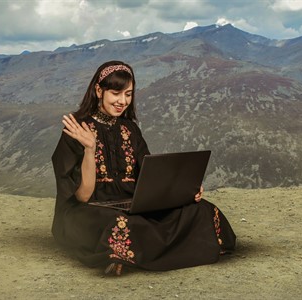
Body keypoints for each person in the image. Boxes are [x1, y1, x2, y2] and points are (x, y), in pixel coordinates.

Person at [51, 60, 236, 275]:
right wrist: (90, 149)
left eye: (128, 94)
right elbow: (82, 197)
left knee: (201, 209)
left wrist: (186, 189)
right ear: (99, 90)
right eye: (116, 93)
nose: (122, 101)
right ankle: (138, 253)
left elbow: (152, 177)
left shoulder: (130, 129)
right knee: (120, 224)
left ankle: (135, 254)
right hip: (88, 210)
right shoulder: (76, 128)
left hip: (132, 204)